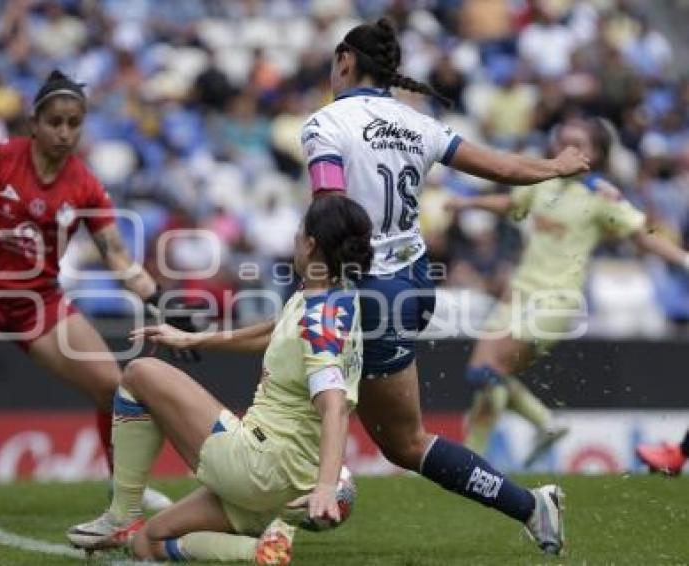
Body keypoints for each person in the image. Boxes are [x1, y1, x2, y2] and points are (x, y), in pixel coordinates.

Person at [298, 18, 592, 555]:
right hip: (413, 280)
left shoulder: (325, 124)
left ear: (344, 61)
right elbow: (499, 165)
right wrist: (555, 165)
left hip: (369, 287)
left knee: (399, 440)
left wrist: (322, 289)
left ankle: (531, 506)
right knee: (312, 389)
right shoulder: (419, 123)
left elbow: (329, 210)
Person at [0, 70, 179, 523]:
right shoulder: (0, 159)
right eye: (56, 121)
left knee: (114, 387)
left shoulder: (85, 184)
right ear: (34, 122)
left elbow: (117, 257)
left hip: (40, 302)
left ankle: (124, 486)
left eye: (74, 123)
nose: (64, 132)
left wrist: (161, 299)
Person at [67, 195, 372, 564]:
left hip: (260, 465)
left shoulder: (318, 319)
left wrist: (326, 487)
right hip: (285, 487)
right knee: (147, 543)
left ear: (310, 244)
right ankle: (256, 551)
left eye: (300, 230)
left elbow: (334, 405)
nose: (294, 237)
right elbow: (274, 332)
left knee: (138, 373)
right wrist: (195, 338)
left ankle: (122, 514)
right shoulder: (335, 295)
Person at [446, 118, 689, 465]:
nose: (568, 149)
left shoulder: (601, 195)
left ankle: (480, 456)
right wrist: (469, 204)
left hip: (556, 301)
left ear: (597, 154)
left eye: (579, 144)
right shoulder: (542, 183)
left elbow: (640, 235)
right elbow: (513, 204)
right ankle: (503, 446)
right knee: (482, 376)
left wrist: (682, 258)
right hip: (517, 294)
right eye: (563, 142)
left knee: (492, 369)